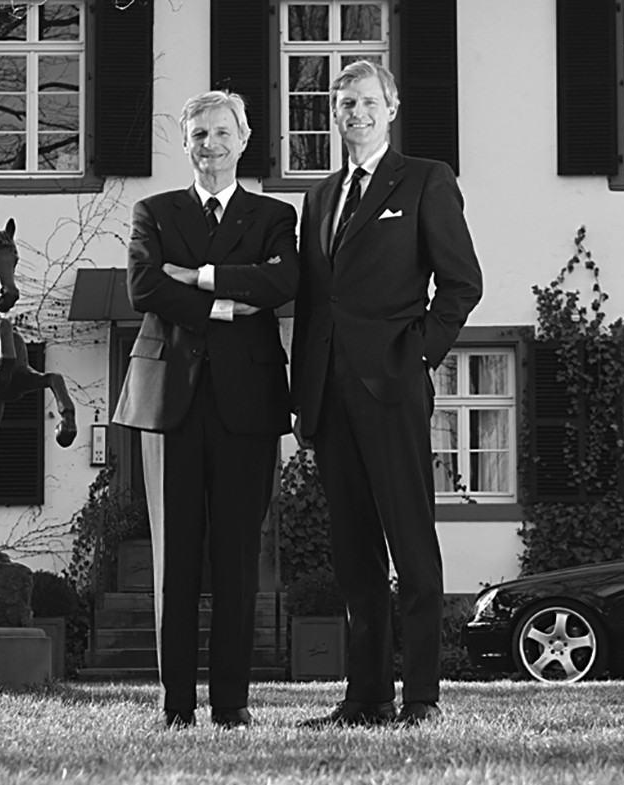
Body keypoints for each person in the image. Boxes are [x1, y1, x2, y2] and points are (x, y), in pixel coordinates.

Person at [291, 61, 483, 727]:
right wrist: (302, 395)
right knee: (354, 554)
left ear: (392, 108)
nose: (357, 113)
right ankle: (365, 695)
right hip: (329, 395)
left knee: (411, 544)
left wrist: (418, 353)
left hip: (392, 386)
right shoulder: (319, 197)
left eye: (369, 101)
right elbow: (313, 304)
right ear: (333, 113)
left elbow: (462, 283)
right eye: (345, 103)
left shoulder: (426, 179)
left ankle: (421, 695)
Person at [112, 90, 299, 729]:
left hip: (248, 404)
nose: (210, 145)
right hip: (169, 403)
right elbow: (144, 286)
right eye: (199, 135)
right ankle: (176, 705)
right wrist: (228, 302)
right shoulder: (153, 211)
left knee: (239, 560)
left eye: (222, 133)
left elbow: (283, 282)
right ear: (186, 143)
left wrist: (199, 277)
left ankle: (231, 703)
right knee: (175, 561)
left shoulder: (274, 215)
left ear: (243, 140)